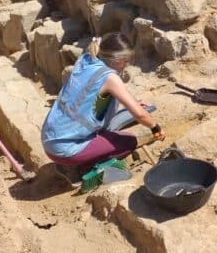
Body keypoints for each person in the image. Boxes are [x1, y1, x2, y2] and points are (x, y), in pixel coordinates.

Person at [41, 32, 164, 168]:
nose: (127, 65)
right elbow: (140, 115)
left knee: (112, 128)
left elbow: (89, 98)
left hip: (51, 137)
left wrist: (134, 103)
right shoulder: (109, 78)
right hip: (65, 150)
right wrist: (155, 127)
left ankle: (86, 153)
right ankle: (86, 166)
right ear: (117, 60)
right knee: (129, 141)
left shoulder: (86, 59)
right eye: (126, 61)